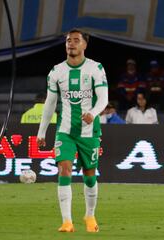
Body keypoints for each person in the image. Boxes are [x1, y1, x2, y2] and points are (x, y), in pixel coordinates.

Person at [37, 29, 108, 232]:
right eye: (68, 40)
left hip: (89, 130)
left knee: (89, 174)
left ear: (84, 45)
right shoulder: (56, 71)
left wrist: (93, 113)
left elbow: (103, 97)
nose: (71, 44)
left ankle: (90, 216)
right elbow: (50, 103)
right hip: (65, 130)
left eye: (76, 41)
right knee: (64, 170)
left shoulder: (96, 68)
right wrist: (42, 131)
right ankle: (67, 222)